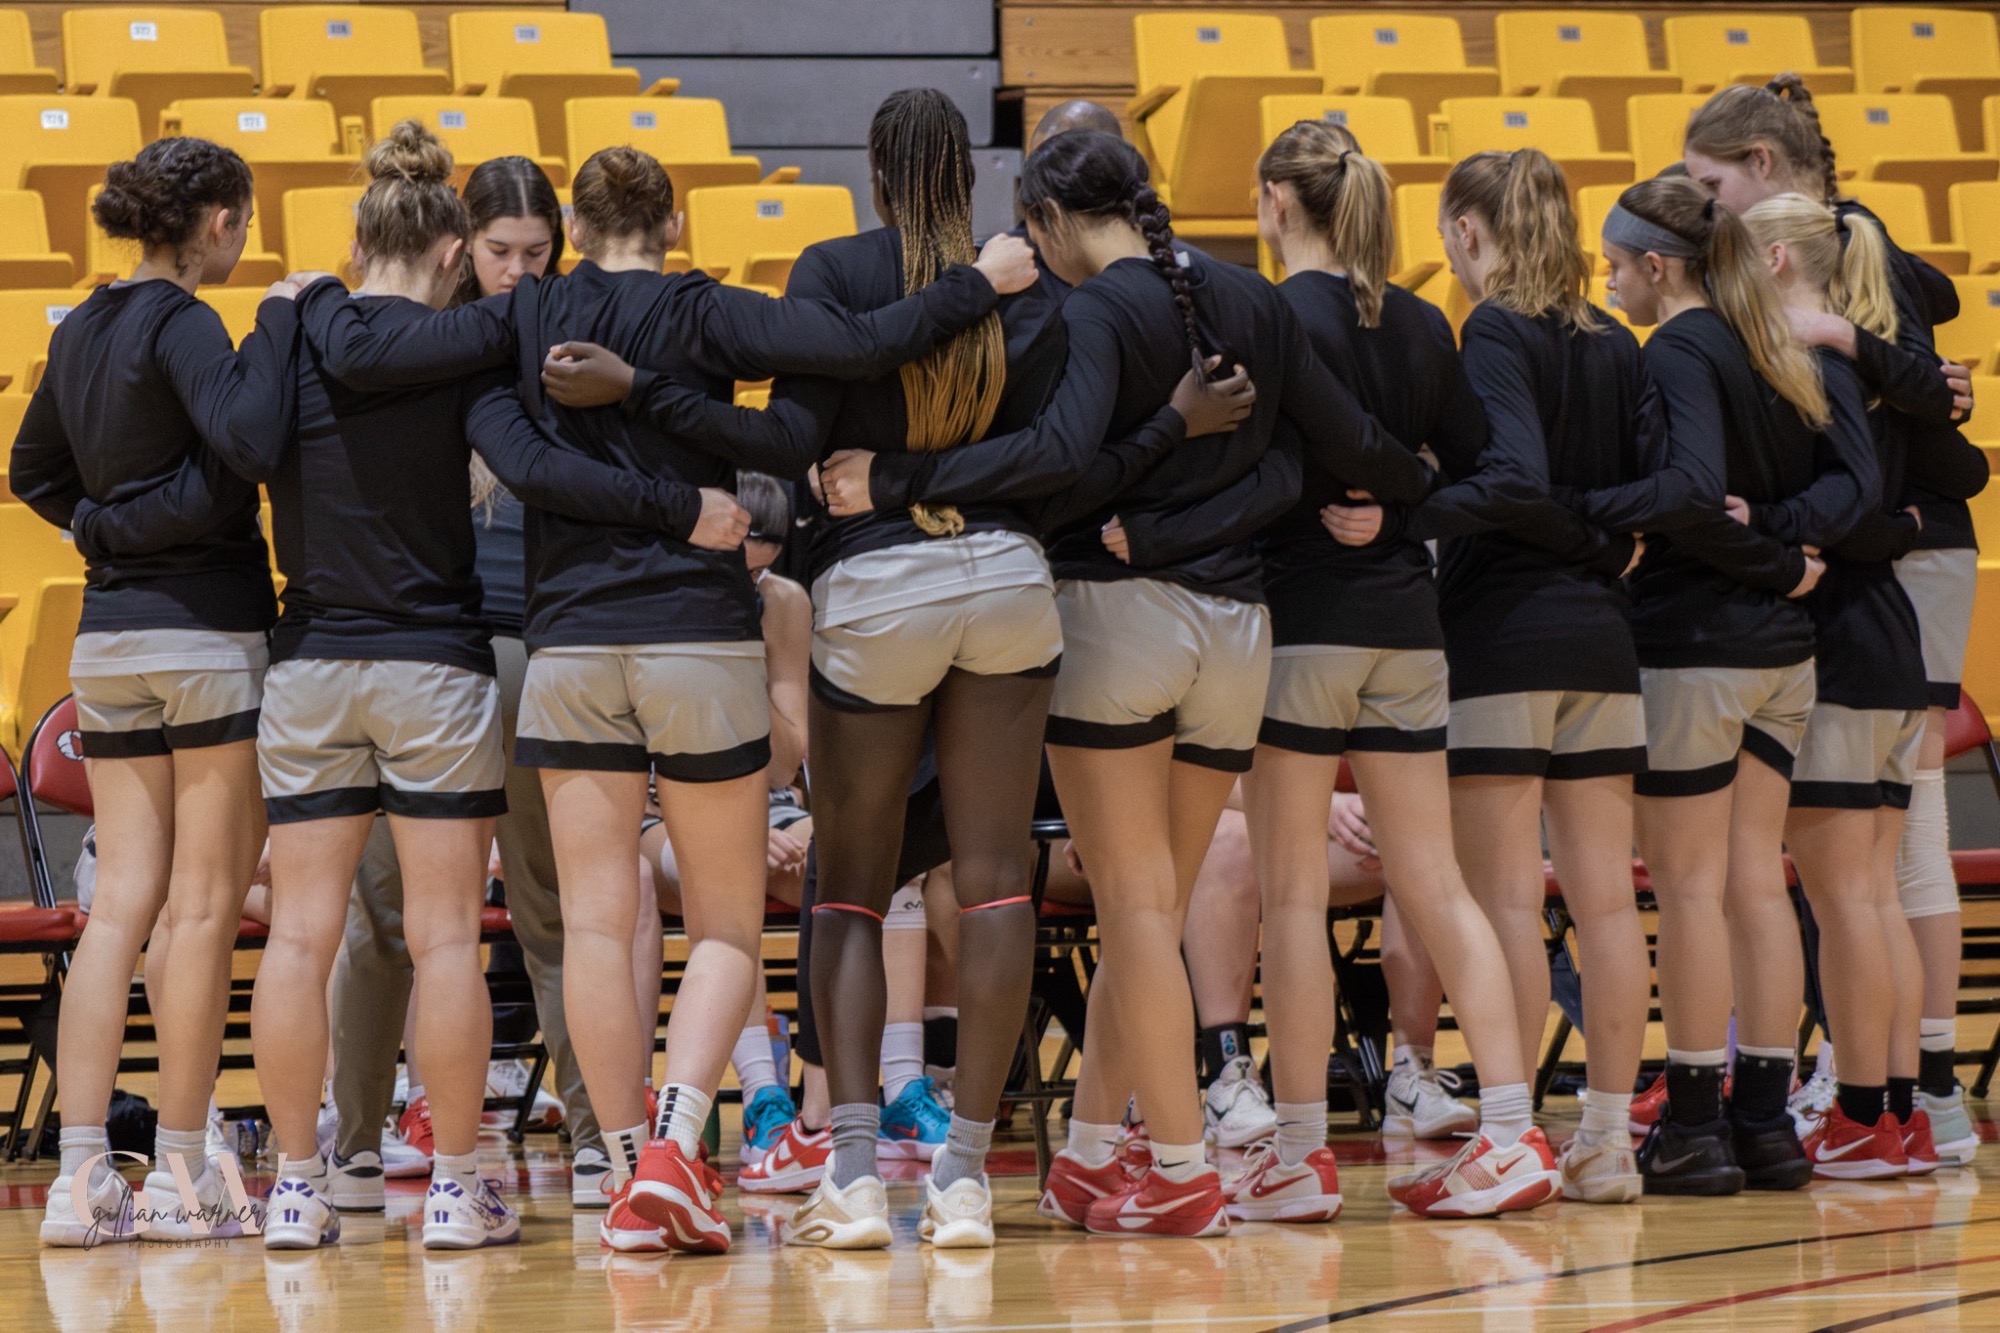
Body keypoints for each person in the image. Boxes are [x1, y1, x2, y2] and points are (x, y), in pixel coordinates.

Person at [291, 141, 1039, 1254]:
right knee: (727, 927)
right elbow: (862, 343)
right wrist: (978, 281)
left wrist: (304, 304)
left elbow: (524, 463)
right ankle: (681, 1151)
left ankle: (627, 1162)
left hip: (568, 649)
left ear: (573, 230)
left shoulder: (526, 314)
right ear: (675, 221)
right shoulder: (707, 309)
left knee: (594, 923)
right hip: (696, 636)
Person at [819, 128, 1436, 1237]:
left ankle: (1185, 1167)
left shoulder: (1091, 309)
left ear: (1050, 221)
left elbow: (1055, 466)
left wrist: (1116, 520)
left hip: (1121, 626)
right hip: (1238, 631)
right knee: (1149, 908)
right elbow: (1321, 455)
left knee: (1141, 909)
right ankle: (1096, 1152)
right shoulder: (1253, 296)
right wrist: (1421, 482)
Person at [1239, 120, 1565, 1219]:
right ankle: (1514, 1132)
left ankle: (1294, 1155)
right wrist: (1405, 505)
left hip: (1299, 626)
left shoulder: (1269, 314)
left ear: (1279, 203)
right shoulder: (1426, 321)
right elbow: (1500, 478)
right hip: (1409, 628)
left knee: (1287, 896)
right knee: (1435, 886)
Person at [1684, 78, 1989, 1165]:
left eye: (1710, 188)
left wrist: (1776, 525)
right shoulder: (1848, 299)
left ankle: (1881, 1102)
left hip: (1865, 612)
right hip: (1882, 607)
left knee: (1871, 874)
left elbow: (1932, 467)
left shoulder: (1827, 324)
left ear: (1764, 181)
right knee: (1875, 875)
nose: (1699, 213)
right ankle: (1895, 1102)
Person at [319, 154, 613, 1215]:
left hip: (543, 645)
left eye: (539, 254)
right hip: (436, 648)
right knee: (386, 917)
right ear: (459, 247)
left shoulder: (567, 333)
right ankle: (352, 1140)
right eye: (500, 253)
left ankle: (593, 1134)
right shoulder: (409, 337)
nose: (519, 274)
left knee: (552, 906)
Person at [12, 136, 291, 1247]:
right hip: (207, 635)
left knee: (118, 908)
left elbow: (34, 472)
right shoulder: (188, 322)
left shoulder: (79, 323)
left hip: (107, 643)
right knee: (203, 908)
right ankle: (182, 1167)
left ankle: (83, 1177)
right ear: (217, 222)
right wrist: (274, 330)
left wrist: (100, 531)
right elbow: (246, 446)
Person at [1594, 176, 1875, 1194]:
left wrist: (1757, 549)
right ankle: (1765, 1124)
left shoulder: (1673, 347)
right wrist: (1790, 553)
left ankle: (1696, 1123)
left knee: (1689, 891)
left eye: (1617, 265)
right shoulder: (1771, 340)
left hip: (1694, 645)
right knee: (1758, 882)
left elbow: (1685, 498)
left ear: (1656, 267)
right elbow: (1845, 487)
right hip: (1783, 656)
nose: (1610, 280)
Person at [1417, 146, 1659, 1209]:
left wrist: (1412, 509)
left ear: (1468, 234)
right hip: (1605, 639)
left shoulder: (1492, 329)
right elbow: (1652, 493)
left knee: (1507, 901)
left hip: (1504, 635)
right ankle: (1606, 1140)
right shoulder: (1615, 337)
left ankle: (1513, 1134)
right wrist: (1601, 550)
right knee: (1606, 906)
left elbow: (1511, 477)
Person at [1737, 190, 1932, 1179]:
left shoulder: (1804, 361)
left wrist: (1758, 521)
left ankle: (1860, 1113)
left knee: (1846, 896)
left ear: (1773, 260)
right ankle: (1897, 1114)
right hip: (1894, 646)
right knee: (1874, 896)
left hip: (1842, 647)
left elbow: (1853, 506)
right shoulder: (1869, 362)